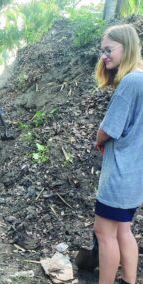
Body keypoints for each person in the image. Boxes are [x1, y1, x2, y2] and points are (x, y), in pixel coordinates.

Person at [93, 24, 143, 284]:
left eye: (109, 49)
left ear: (127, 47)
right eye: (103, 51)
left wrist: (99, 140)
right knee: (124, 230)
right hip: (136, 175)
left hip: (120, 174)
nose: (104, 56)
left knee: (104, 232)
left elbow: (109, 129)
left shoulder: (131, 81)